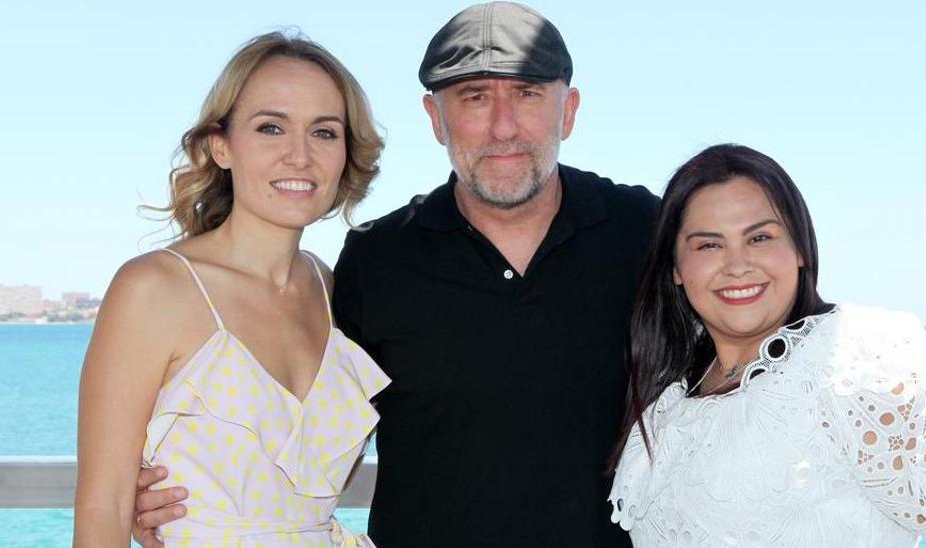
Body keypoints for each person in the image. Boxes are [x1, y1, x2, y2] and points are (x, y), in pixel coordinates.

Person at [133, 2, 656, 547]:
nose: (503, 126)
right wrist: (176, 495)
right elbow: (304, 431)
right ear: (435, 118)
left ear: (568, 110)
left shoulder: (648, 232)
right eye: (474, 97)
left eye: (527, 94)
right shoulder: (376, 258)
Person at [607, 144, 926, 547]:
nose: (737, 264)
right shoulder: (671, 391)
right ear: (675, 267)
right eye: (709, 245)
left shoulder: (852, 356)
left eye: (760, 237)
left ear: (799, 249)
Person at [74, 31, 387, 547]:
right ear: (221, 145)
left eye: (325, 133)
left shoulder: (332, 291)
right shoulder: (154, 290)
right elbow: (101, 512)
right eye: (270, 128)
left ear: (345, 154)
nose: (300, 156)